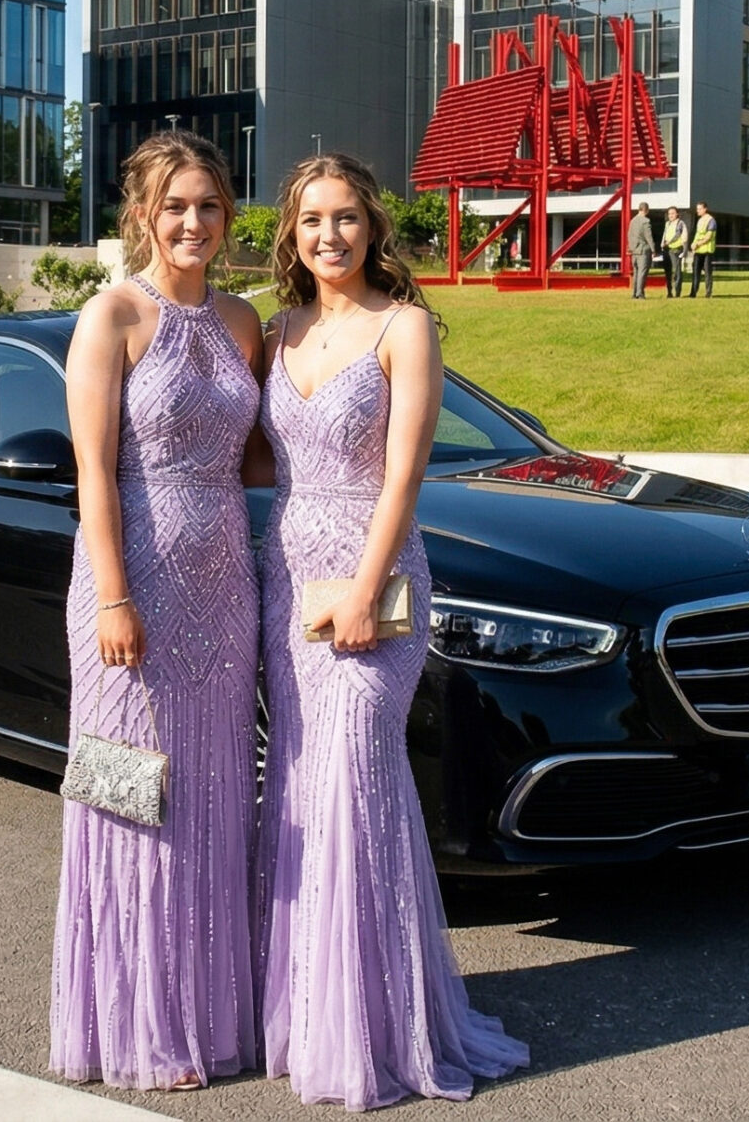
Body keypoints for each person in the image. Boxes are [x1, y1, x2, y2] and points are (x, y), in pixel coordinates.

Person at [255, 153, 527, 1109]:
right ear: (290, 232)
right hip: (288, 584)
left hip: (378, 579)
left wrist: (368, 588)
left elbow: (405, 478)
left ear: (372, 226)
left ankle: (380, 1022)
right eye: (310, 219)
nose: (329, 235)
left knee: (357, 775)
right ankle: (314, 1011)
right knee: (302, 779)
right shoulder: (277, 328)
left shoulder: (405, 326)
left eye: (345, 218)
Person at [52, 132, 267, 1093]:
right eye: (175, 205)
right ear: (143, 212)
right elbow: (93, 471)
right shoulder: (112, 316)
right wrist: (112, 594)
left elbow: (265, 452)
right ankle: (137, 1020)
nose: (193, 222)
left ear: (227, 218)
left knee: (215, 802)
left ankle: (213, 1012)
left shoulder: (246, 321)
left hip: (226, 599)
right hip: (126, 592)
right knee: (134, 799)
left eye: (209, 206)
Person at [689, 203, 717, 297]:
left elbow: (708, 236)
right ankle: (693, 293)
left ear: (705, 209)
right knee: (695, 272)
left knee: (707, 272)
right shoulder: (700, 220)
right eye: (697, 209)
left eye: (700, 209)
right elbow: (697, 235)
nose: (698, 211)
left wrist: (697, 244)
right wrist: (693, 244)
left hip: (707, 251)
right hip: (698, 251)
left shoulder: (711, 220)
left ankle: (708, 293)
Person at [626, 208, 654, 298]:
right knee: (642, 273)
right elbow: (648, 236)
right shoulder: (645, 221)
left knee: (636, 272)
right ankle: (640, 293)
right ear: (646, 210)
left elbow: (629, 235)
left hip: (634, 250)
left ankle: (634, 293)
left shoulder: (632, 221)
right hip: (643, 250)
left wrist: (631, 247)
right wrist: (653, 249)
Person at [660, 204, 686, 296]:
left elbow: (677, 235)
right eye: (669, 214)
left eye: (673, 213)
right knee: (668, 272)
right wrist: (662, 244)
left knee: (676, 272)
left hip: (676, 250)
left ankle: (677, 292)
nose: (670, 215)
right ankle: (669, 292)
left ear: (677, 214)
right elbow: (665, 234)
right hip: (667, 250)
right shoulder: (667, 223)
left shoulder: (680, 223)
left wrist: (669, 242)